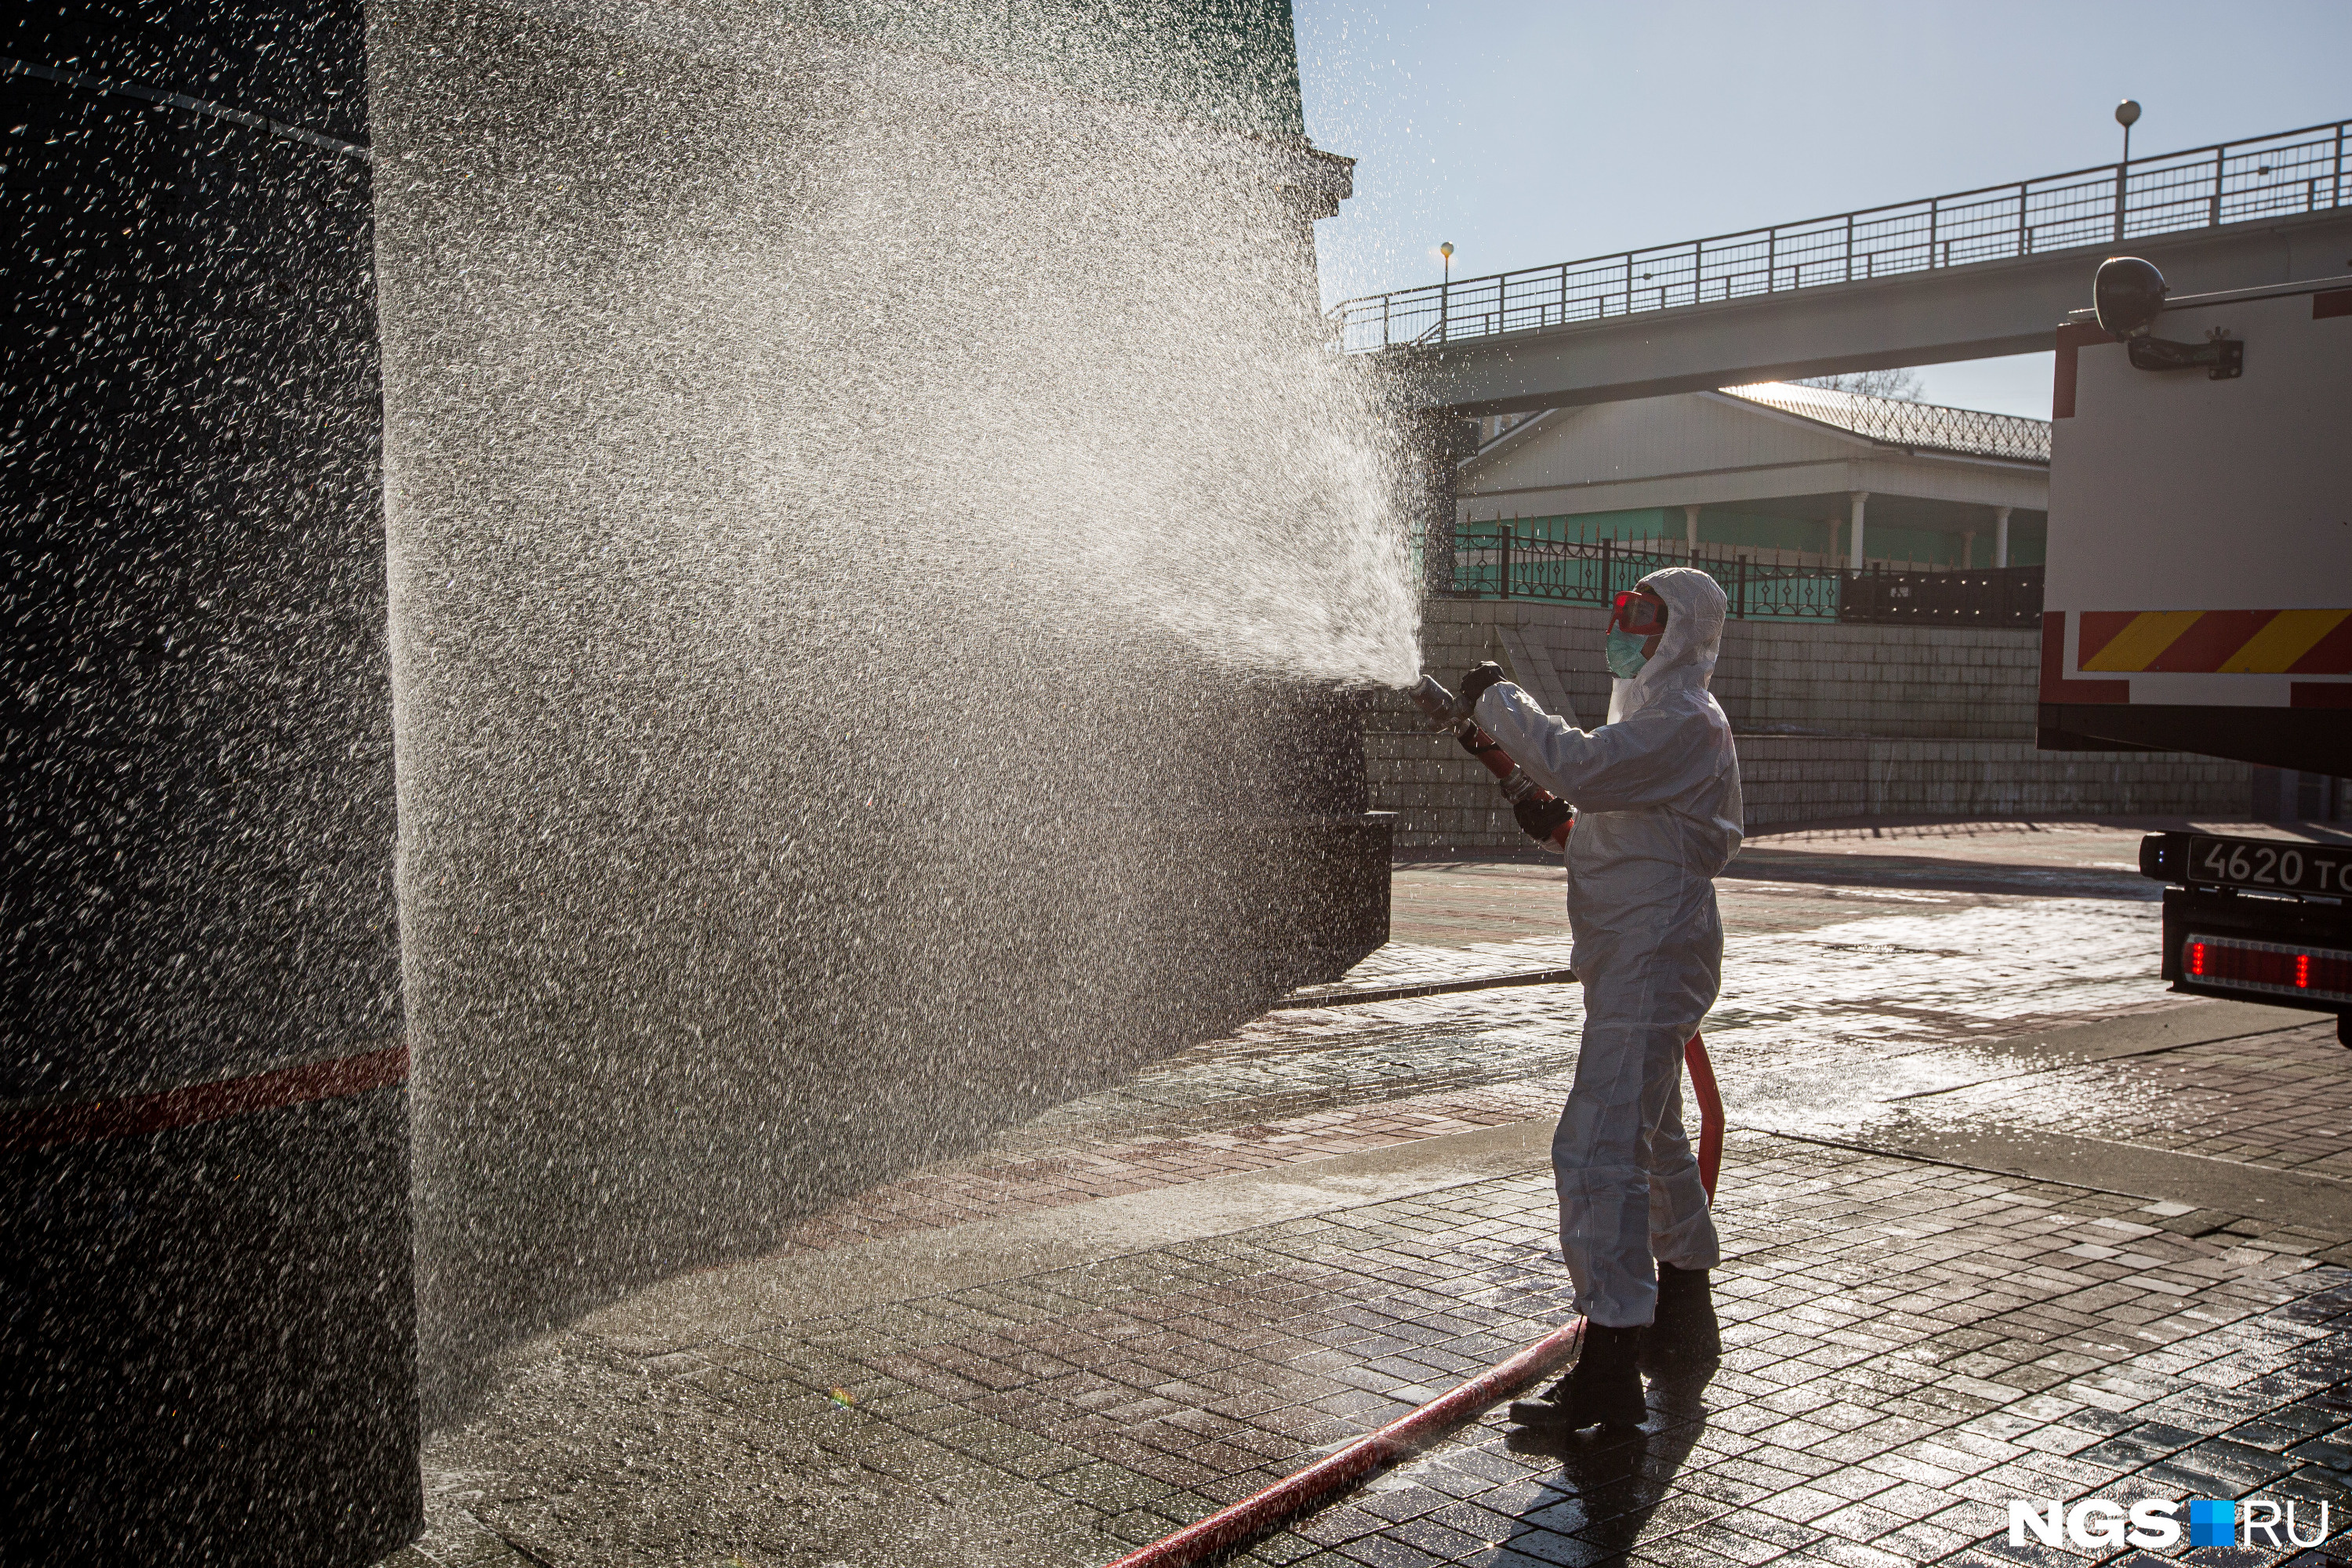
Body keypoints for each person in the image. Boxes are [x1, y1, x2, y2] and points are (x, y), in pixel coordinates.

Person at [1457, 566, 1744, 1432]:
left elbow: (1581, 765)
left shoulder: (1684, 720)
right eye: (1624, 611)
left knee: (1592, 1149)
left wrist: (1495, 700)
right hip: (1641, 955)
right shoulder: (1656, 720)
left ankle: (1612, 1362)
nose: (1629, 627)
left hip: (1652, 962)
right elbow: (1632, 825)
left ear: (1685, 632)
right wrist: (1559, 824)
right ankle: (1685, 1322)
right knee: (1652, 1137)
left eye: (1647, 617)